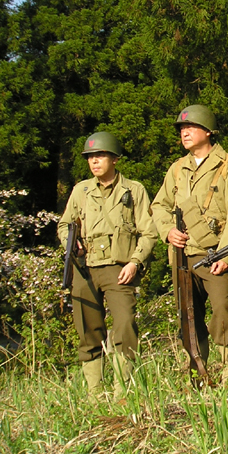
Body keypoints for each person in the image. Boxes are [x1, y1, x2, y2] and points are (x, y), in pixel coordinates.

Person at [151, 105, 228, 382]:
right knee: (188, 315)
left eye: (191, 127)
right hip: (182, 256)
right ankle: (197, 371)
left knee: (223, 310)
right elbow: (159, 205)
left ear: (208, 131)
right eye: (182, 129)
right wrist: (168, 231)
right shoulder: (177, 169)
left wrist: (227, 255)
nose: (185, 132)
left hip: (215, 253)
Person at [57, 131, 157, 401]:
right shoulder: (81, 191)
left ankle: (123, 391)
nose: (94, 161)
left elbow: (149, 232)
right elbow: (65, 224)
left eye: (100, 156)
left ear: (114, 159)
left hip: (119, 267)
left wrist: (135, 262)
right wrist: (72, 243)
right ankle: (95, 393)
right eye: (90, 157)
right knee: (87, 329)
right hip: (85, 268)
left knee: (124, 325)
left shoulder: (133, 190)